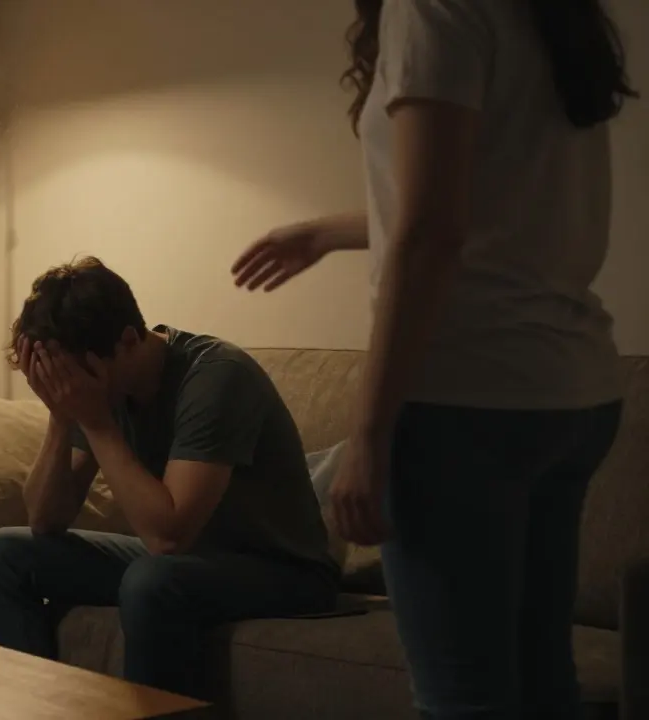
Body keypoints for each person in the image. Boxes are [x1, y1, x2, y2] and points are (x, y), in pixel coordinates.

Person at [231, 1, 636, 717]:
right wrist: (327, 231)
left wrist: (371, 433)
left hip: (467, 402)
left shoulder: (431, 8)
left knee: (464, 698)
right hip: (572, 393)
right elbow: (481, 204)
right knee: (542, 687)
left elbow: (432, 231)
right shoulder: (545, 15)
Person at [0, 256, 340, 699]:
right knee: (0, 554)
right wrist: (60, 415)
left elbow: (168, 537)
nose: (69, 386)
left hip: (285, 570)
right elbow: (47, 520)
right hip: (191, 561)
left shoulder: (217, 377)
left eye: (73, 375)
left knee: (152, 580)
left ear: (128, 341)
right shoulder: (102, 384)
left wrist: (98, 423)